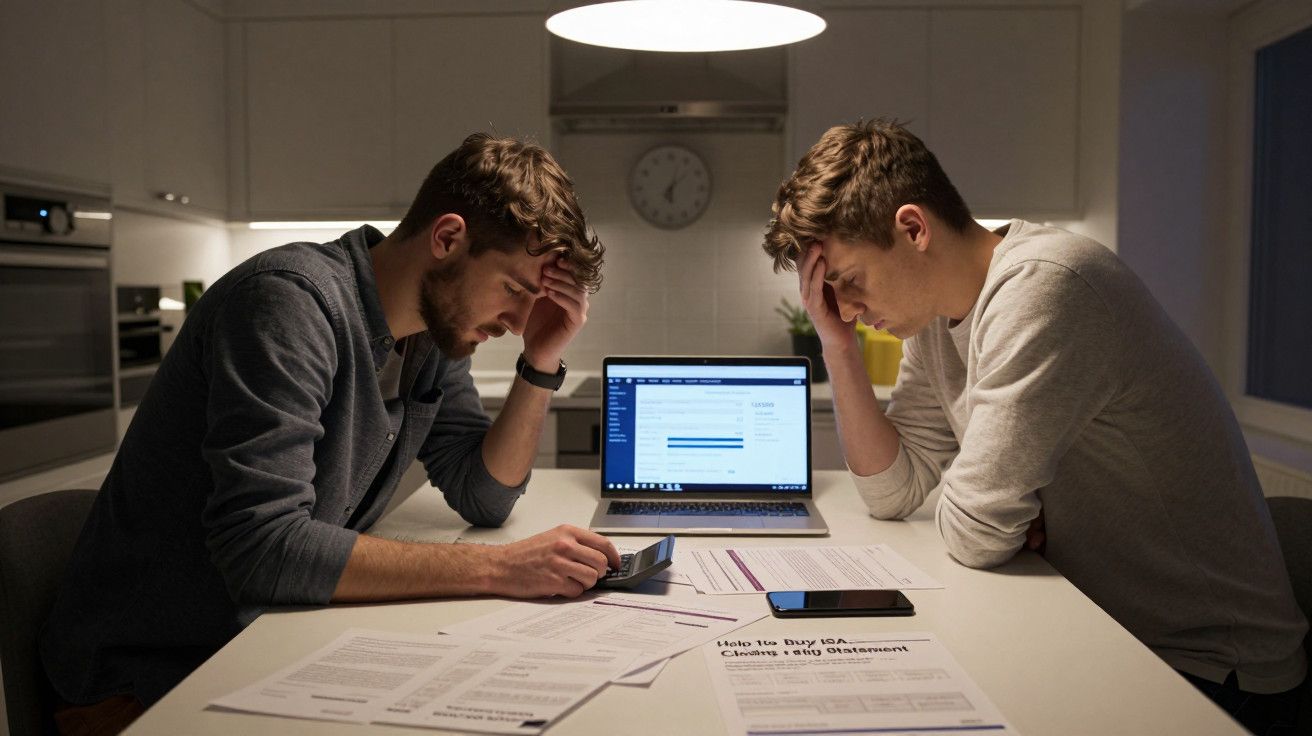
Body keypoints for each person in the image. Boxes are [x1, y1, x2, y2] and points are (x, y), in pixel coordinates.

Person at [40, 133, 620, 733]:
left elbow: (484, 495)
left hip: (259, 645)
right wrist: (501, 569)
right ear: (448, 239)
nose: (519, 320)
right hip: (146, 684)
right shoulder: (289, 303)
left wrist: (541, 358)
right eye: (517, 290)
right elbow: (263, 550)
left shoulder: (433, 336)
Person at [763, 120, 1307, 734]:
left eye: (852, 283)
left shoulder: (1046, 284)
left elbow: (975, 530)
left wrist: (1002, 508)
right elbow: (894, 492)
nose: (851, 310)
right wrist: (836, 346)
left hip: (1208, 667)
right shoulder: (937, 319)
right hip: (1105, 626)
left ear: (913, 228)